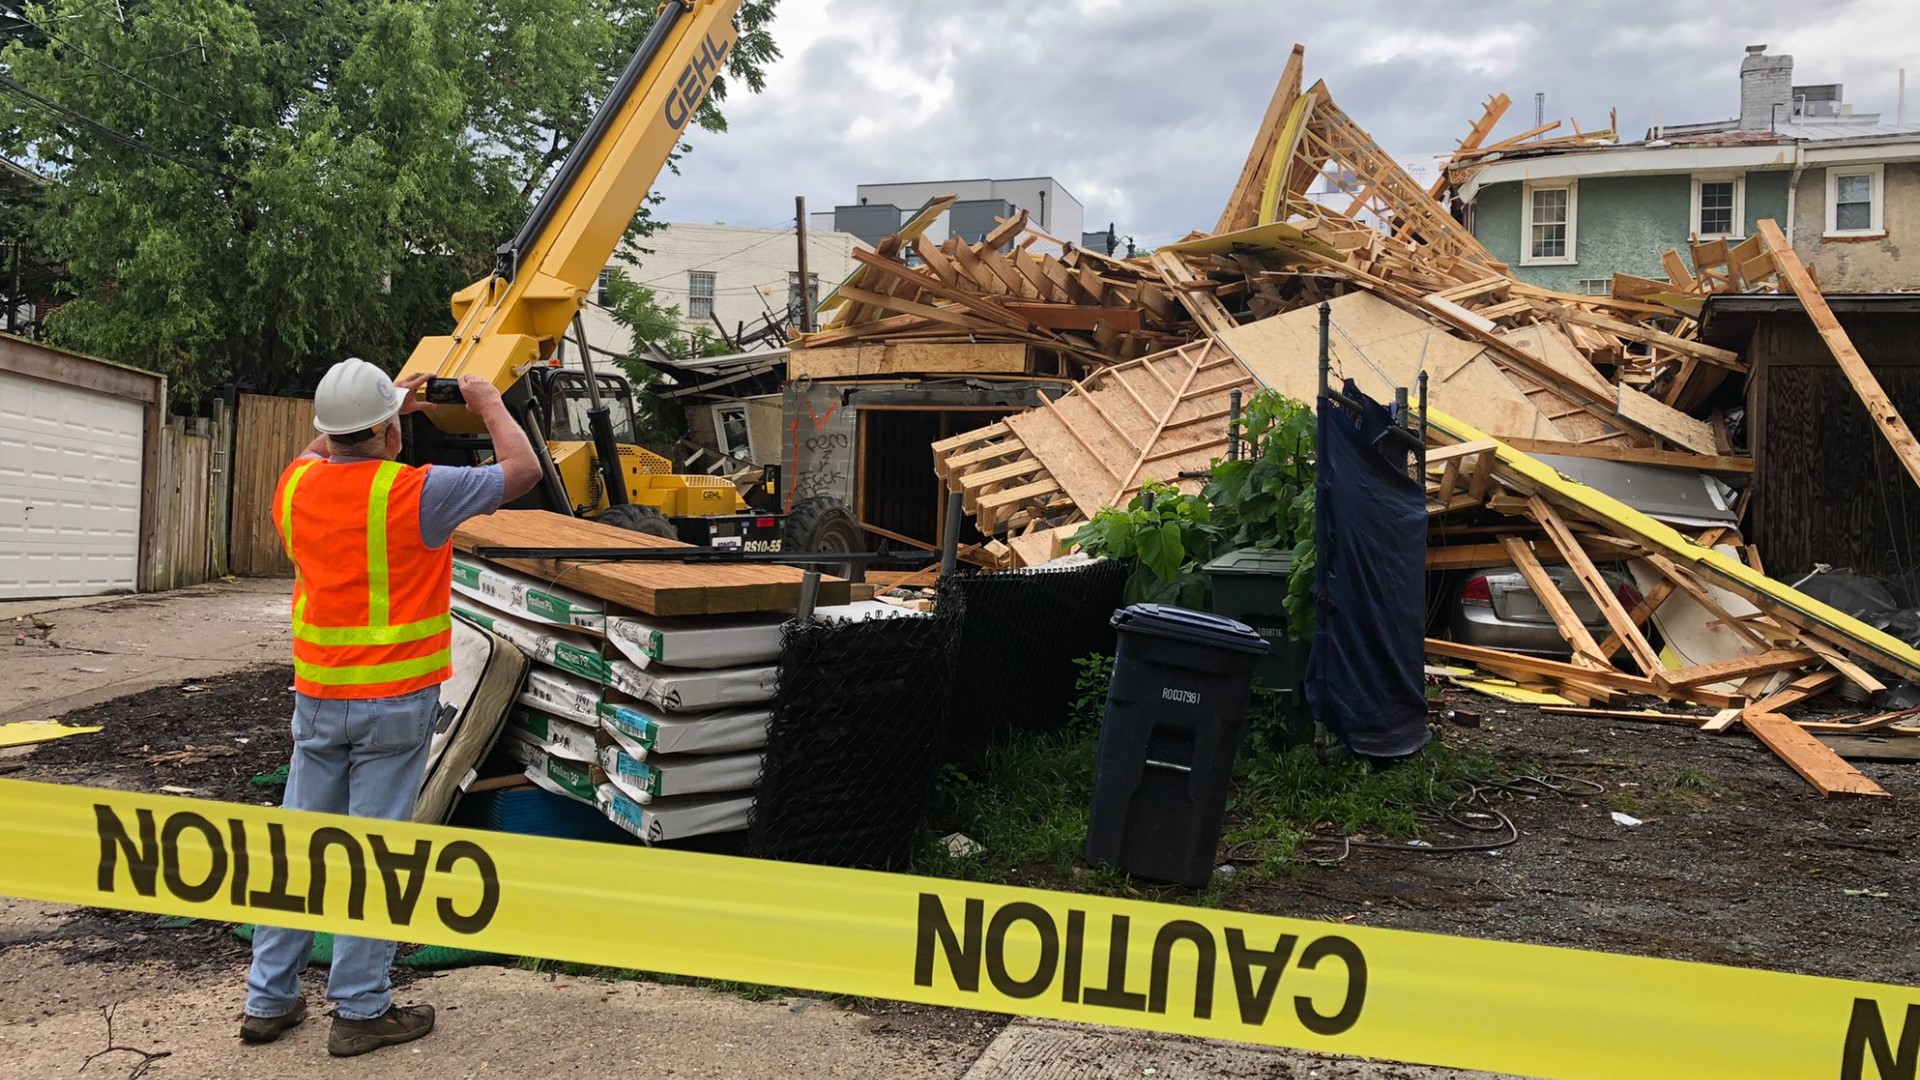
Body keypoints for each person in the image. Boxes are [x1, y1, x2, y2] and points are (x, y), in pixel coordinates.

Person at [240, 359, 540, 1057]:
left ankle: (269, 999)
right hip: (394, 704)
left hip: (317, 699)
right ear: (386, 430)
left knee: (298, 850)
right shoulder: (417, 494)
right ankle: (361, 1009)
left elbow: (325, 446)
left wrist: (383, 409)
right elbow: (520, 471)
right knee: (376, 855)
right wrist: (486, 400)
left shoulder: (296, 483)